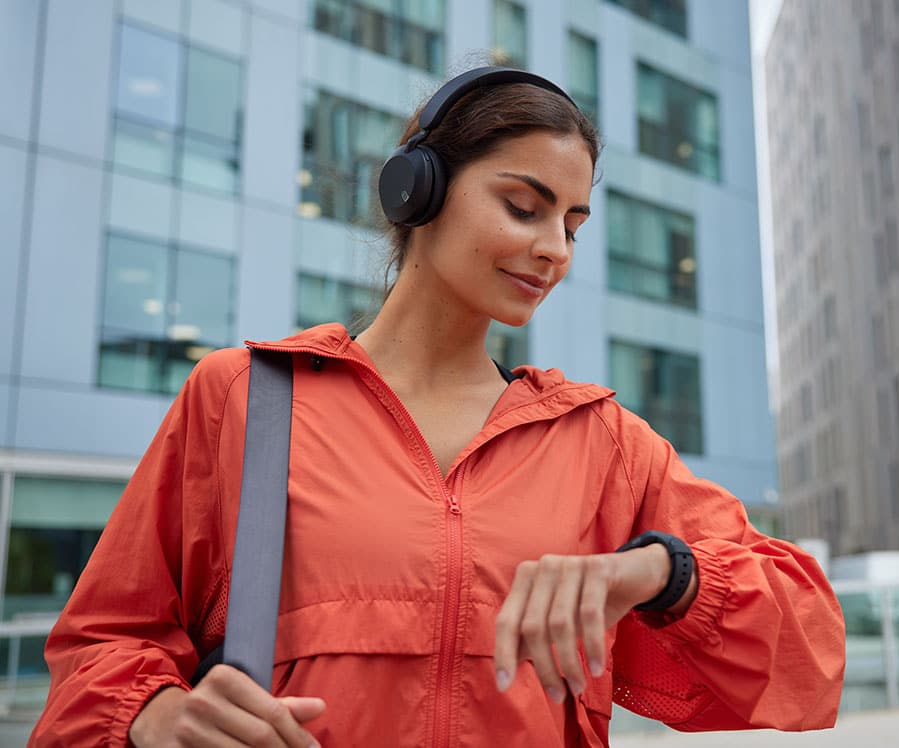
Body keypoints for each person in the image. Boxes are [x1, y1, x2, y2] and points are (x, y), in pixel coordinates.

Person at [30, 67, 845, 747]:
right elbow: (100, 643)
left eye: (572, 223)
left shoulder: (601, 443)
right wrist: (154, 714)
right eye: (523, 208)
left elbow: (810, 648)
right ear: (416, 191)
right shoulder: (244, 399)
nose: (555, 249)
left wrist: (663, 571)